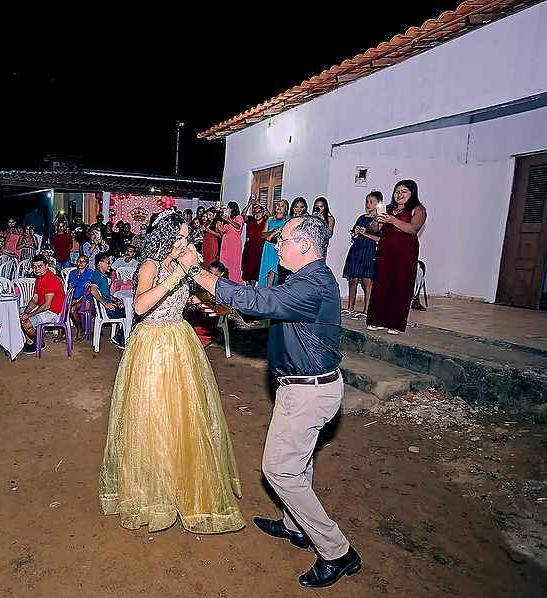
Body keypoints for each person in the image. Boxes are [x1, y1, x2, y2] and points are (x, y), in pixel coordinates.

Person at [178, 214, 361, 588]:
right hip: (303, 387)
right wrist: (230, 309)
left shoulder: (313, 283)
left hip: (308, 391)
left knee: (279, 471)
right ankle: (296, 526)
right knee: (299, 461)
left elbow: (261, 298)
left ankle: (337, 551)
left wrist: (197, 270)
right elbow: (273, 310)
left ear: (306, 246)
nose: (276, 245)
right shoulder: (307, 281)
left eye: (283, 240)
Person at [99, 209, 244, 535]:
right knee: (151, 418)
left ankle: (185, 485)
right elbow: (139, 306)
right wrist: (177, 275)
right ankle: (152, 491)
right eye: (179, 237)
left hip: (180, 342)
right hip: (151, 347)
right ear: (165, 238)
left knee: (185, 418)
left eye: (186, 236)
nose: (185, 241)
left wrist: (205, 302)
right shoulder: (151, 265)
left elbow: (184, 297)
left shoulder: (182, 266)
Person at [367, 179, 427, 334]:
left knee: (400, 284)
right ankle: (376, 319)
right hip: (386, 248)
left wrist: (393, 221)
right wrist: (376, 220)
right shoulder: (387, 209)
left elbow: (413, 228)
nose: (399, 195)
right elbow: (374, 230)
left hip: (405, 250)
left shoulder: (418, 209)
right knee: (381, 281)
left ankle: (395, 323)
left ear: (411, 193)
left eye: (404, 192)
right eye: (397, 191)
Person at [343, 191, 383, 320]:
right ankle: (350, 308)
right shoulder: (361, 217)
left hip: (369, 250)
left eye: (372, 202)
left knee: (367, 280)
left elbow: (380, 238)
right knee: (352, 279)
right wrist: (356, 232)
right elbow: (354, 235)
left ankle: (367, 310)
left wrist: (367, 234)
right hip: (357, 250)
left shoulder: (380, 220)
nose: (368, 204)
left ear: (378, 204)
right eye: (367, 201)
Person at [19, 254, 66, 354]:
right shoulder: (38, 279)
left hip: (54, 312)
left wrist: (29, 315)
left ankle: (39, 342)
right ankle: (30, 341)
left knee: (27, 324)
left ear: (46, 266)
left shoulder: (51, 280)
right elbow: (34, 300)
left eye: (40, 266)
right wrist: (25, 312)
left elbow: (47, 305)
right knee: (19, 312)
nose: (36, 269)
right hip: (44, 308)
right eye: (34, 266)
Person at [88, 253, 126, 348]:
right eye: (108, 263)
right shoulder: (98, 276)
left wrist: (117, 300)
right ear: (100, 263)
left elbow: (106, 294)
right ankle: (122, 338)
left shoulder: (101, 275)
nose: (110, 265)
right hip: (107, 311)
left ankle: (119, 336)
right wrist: (105, 304)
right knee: (132, 313)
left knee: (128, 309)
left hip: (108, 308)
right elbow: (93, 290)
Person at [259, 199, 288, 287]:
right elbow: (263, 234)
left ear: (285, 209)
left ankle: (272, 289)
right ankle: (266, 289)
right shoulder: (270, 219)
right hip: (268, 246)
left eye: (282, 206)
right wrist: (273, 232)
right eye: (278, 205)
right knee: (267, 268)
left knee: (274, 269)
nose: (279, 207)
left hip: (279, 246)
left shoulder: (287, 219)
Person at [66, 255, 94, 342]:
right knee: (62, 307)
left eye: (83, 261)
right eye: (79, 260)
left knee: (73, 309)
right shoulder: (72, 273)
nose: (80, 263)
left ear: (87, 264)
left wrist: (78, 299)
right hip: (74, 298)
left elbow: (90, 289)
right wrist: (70, 298)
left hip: (86, 298)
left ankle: (80, 330)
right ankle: (61, 333)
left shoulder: (90, 272)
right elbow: (70, 288)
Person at [216, 201, 243, 283]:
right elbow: (221, 231)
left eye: (229, 207)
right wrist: (221, 217)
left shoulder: (238, 217)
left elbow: (238, 227)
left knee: (234, 263)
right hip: (226, 241)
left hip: (234, 241)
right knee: (224, 261)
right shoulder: (225, 219)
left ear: (233, 209)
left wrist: (229, 219)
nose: (227, 209)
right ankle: (225, 281)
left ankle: (235, 281)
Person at [241, 199, 267, 285]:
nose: (257, 214)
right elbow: (242, 216)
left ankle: (253, 294)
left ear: (263, 213)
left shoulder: (266, 222)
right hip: (250, 249)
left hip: (260, 249)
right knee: (248, 275)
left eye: (259, 212)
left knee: (255, 276)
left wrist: (260, 204)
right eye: (255, 212)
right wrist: (248, 204)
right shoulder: (250, 221)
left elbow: (270, 215)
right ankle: (248, 294)